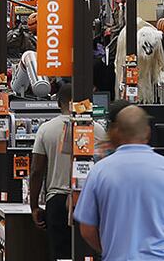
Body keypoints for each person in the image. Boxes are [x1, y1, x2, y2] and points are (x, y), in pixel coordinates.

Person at [74, 105, 164, 260]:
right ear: (148, 132)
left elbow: (87, 230)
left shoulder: (99, 172)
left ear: (118, 133)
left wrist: (107, 250)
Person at [29, 84, 106, 261]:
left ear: (58, 103)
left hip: (56, 200)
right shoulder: (98, 130)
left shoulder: (46, 129)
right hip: (89, 199)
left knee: (60, 254)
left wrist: (33, 206)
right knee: (89, 253)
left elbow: (36, 171)